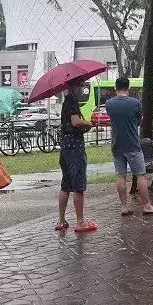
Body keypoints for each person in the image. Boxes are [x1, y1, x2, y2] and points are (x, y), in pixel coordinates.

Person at [106, 76, 153, 215]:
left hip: (116, 144)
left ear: (115, 87)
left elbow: (112, 119)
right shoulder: (135, 103)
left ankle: (124, 207)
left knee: (120, 175)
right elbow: (139, 121)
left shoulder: (109, 103)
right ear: (129, 87)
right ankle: (147, 205)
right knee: (140, 175)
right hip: (132, 144)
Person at [56, 79, 98, 232]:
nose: (81, 89)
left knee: (65, 185)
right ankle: (80, 221)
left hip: (65, 148)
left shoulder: (66, 102)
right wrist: (88, 124)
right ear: (73, 87)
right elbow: (75, 122)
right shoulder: (73, 102)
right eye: (80, 86)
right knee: (78, 185)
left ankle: (61, 221)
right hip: (75, 149)